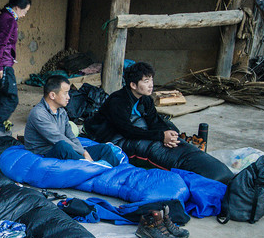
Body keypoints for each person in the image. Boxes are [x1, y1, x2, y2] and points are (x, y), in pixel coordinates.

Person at [84, 62, 233, 184]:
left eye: (152, 80)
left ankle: (216, 171)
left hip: (135, 129)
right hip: (112, 136)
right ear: (133, 85)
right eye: (146, 81)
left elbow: (154, 120)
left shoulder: (146, 99)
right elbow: (126, 130)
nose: (151, 85)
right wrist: (159, 137)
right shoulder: (118, 101)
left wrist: (168, 135)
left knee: (170, 129)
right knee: (152, 147)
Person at [25, 75, 120, 166]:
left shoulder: (61, 111)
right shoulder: (38, 113)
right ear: (52, 95)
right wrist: (83, 153)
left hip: (66, 150)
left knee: (104, 149)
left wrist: (83, 152)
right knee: (62, 146)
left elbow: (71, 136)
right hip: (45, 154)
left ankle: (118, 175)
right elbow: (57, 138)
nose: (69, 97)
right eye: (65, 93)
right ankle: (89, 166)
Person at [0, 0, 31, 137]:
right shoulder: (10, 21)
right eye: (25, 11)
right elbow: (1, 44)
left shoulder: (1, 17)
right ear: (17, 7)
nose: (24, 15)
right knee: (12, 97)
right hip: (2, 65)